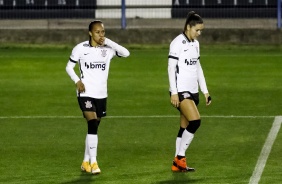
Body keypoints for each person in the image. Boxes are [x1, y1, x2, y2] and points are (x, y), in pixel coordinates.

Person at [66, 20, 130, 174]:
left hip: (101, 94)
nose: (101, 35)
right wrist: (77, 81)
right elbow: (69, 67)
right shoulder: (80, 48)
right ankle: (94, 162)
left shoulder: (108, 50)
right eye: (97, 32)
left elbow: (126, 53)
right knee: (92, 122)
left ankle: (85, 162)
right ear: (90, 33)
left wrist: (107, 42)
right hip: (85, 92)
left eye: (103, 32)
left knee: (93, 129)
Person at [167, 11, 211, 172]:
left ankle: (177, 164)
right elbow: (171, 68)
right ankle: (180, 156)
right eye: (197, 30)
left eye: (201, 31)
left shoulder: (195, 44)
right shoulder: (177, 43)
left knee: (184, 126)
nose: (199, 34)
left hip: (193, 91)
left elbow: (197, 67)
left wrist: (205, 91)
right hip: (181, 91)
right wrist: (173, 92)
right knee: (195, 121)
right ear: (188, 27)